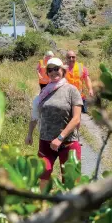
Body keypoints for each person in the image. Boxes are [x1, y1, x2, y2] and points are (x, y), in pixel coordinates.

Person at [25, 57, 82, 189]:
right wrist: (29, 134)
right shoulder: (44, 92)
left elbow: (76, 119)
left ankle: (69, 208)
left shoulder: (71, 90)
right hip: (45, 142)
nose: (53, 72)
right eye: (50, 70)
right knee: (43, 175)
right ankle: (43, 206)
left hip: (68, 142)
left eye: (56, 69)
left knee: (70, 180)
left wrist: (60, 138)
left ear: (63, 70)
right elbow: (35, 114)